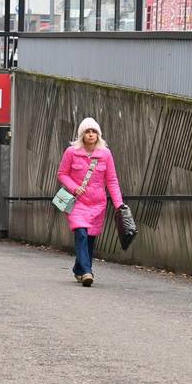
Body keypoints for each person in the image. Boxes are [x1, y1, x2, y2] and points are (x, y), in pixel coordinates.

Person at [56, 117, 124, 287]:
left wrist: (119, 205)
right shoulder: (71, 152)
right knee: (81, 233)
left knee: (90, 238)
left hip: (97, 204)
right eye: (87, 131)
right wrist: (73, 187)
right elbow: (62, 174)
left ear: (98, 135)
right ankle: (87, 271)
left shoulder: (105, 154)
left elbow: (112, 181)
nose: (91, 134)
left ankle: (79, 269)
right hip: (78, 202)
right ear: (82, 134)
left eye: (94, 131)